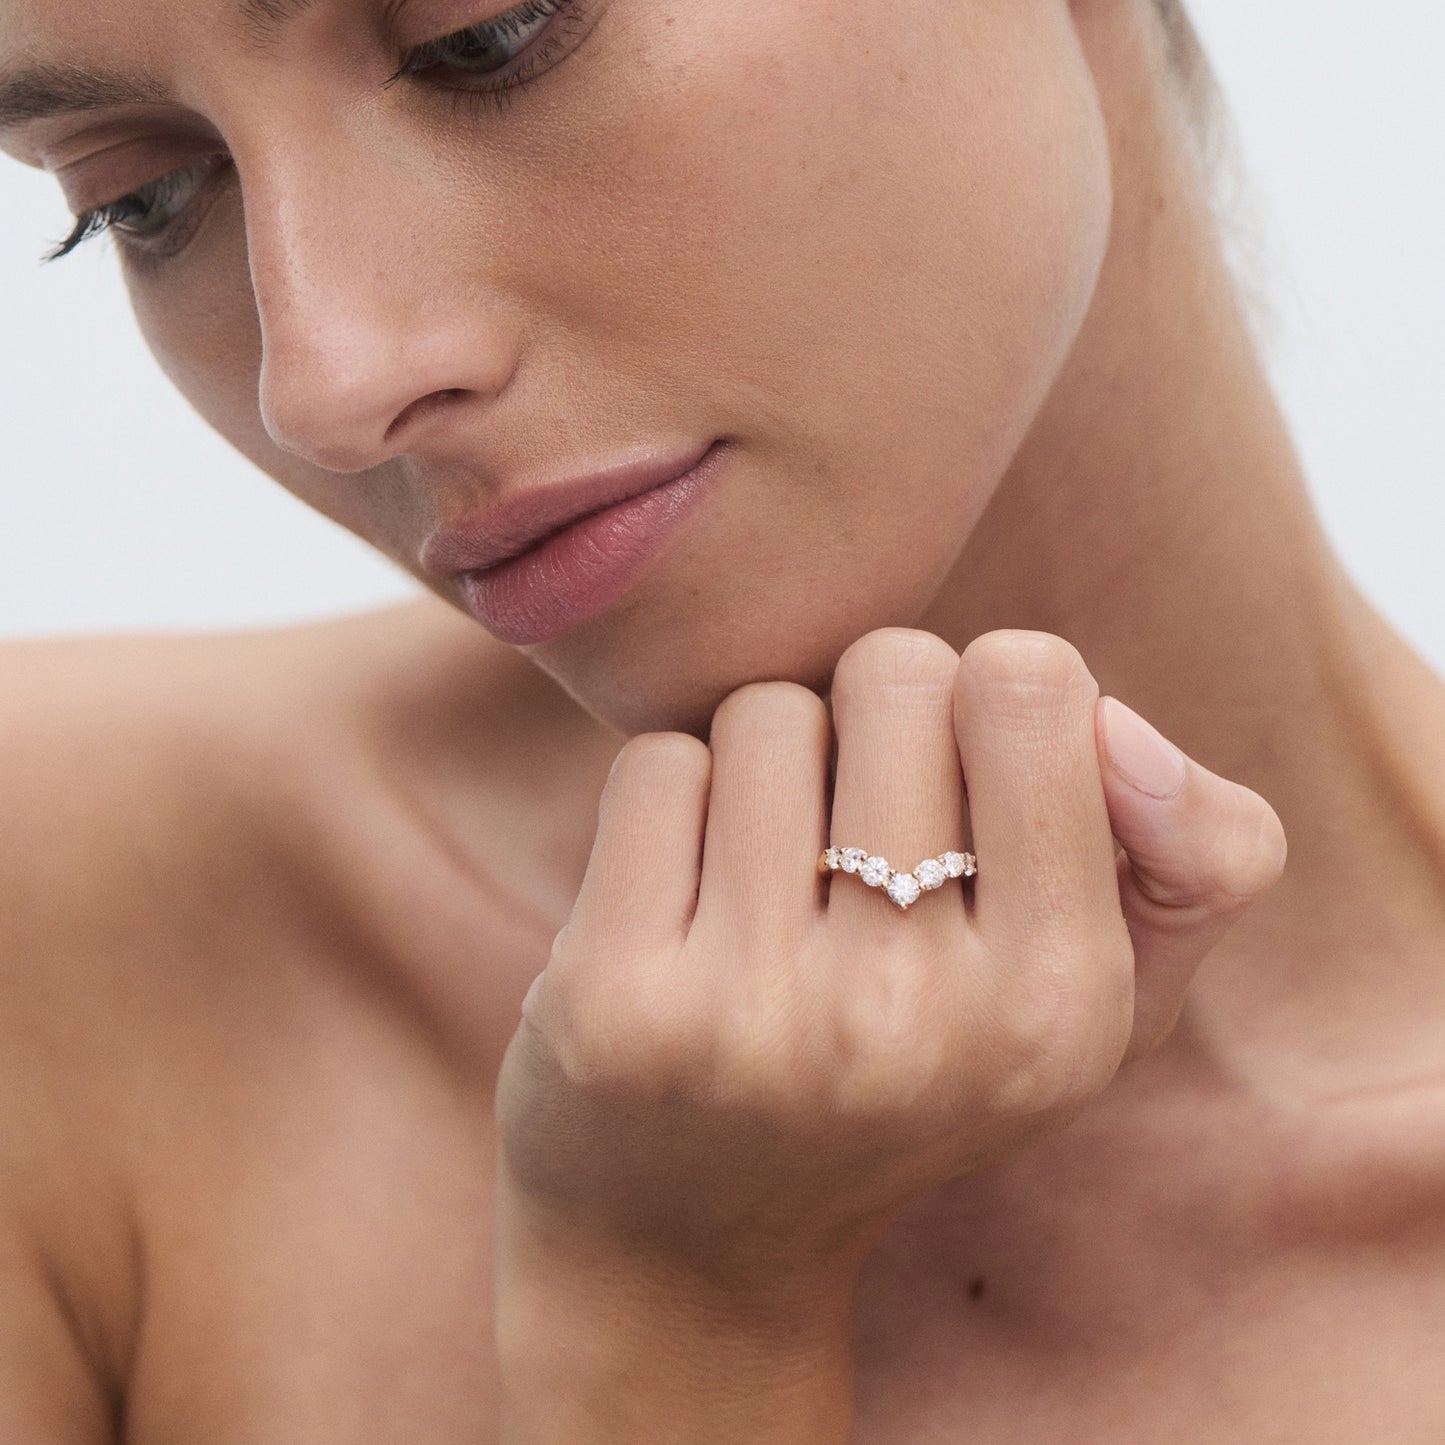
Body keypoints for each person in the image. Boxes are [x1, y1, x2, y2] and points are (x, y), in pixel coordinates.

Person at [2, 0, 1443, 1438]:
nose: (325, 379)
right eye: (141, 197)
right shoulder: (63, 948)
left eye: (485, 38)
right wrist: (666, 1311)